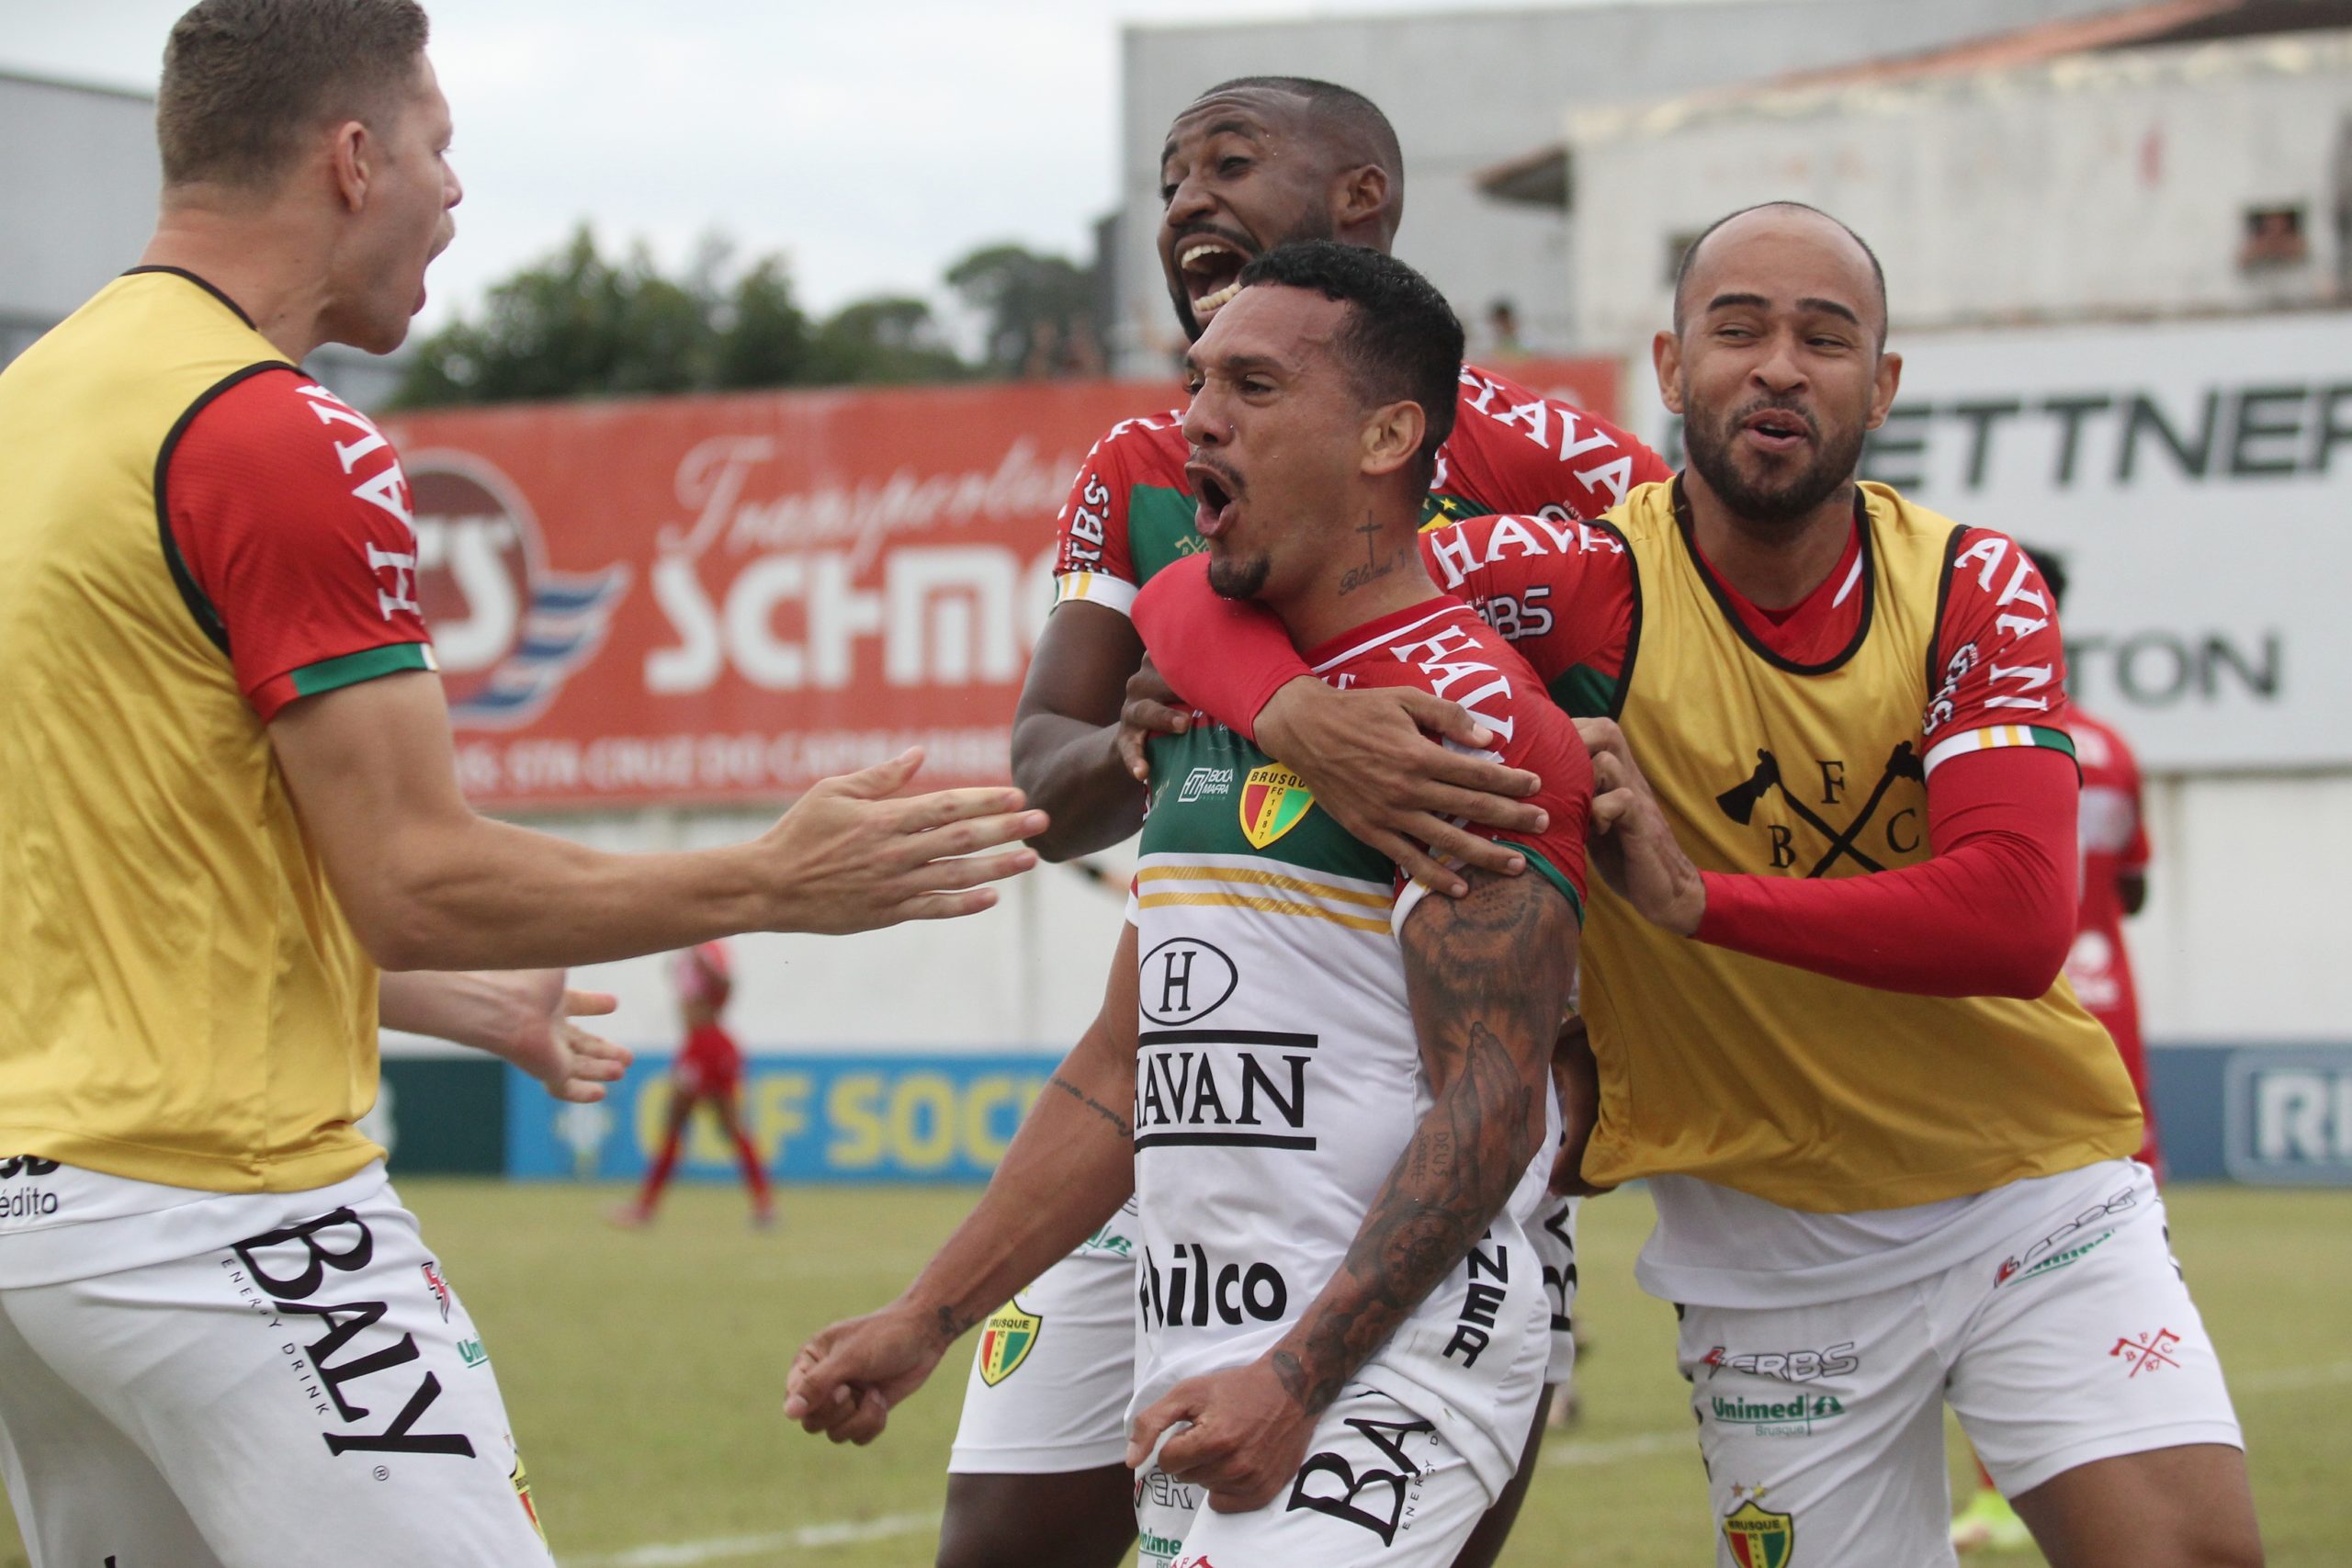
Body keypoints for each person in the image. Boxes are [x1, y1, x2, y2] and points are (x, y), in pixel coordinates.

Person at [0, 3, 1042, 1562]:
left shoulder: (34, 414)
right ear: (354, 160)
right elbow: (414, 870)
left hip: (40, 1243)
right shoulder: (275, 434)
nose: (456, 190)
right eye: (441, 147)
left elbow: (101, 882)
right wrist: (771, 878)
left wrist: (445, 1002)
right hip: (224, 1215)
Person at [1136, 203, 2264, 1568]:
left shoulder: (1977, 585)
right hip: (1760, 1249)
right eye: (1738, 329)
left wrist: (1698, 902)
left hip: (2029, 1195)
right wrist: (1299, 714)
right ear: (1672, 371)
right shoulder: (1582, 577)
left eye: (1824, 337)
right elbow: (1214, 589)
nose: (1778, 365)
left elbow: (2019, 917)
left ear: (1882, 386)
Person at [788, 240, 1595, 1568]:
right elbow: (1121, 1070)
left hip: (1380, 1361)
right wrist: (928, 1315)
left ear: (1391, 433)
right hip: (1199, 1344)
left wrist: (1301, 1372)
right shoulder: (1199, 703)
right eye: (1196, 380)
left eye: (1253, 387)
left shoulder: (1469, 725)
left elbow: (1491, 1101)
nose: (1197, 419)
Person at [977, 73, 1668, 1568]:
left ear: (1361, 199)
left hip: (1438, 1104)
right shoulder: (1146, 467)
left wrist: (1628, 767)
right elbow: (1048, 775)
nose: (1184, 206)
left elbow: (1666, 695)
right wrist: (1275, 714)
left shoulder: (1572, 462)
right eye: (1166, 182)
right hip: (1185, 1109)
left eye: (1226, 165)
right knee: (1001, 1531)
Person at [1951, 546, 2163, 1554]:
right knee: (2115, 1247)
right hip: (2108, 1008)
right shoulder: (2110, 748)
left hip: (2013, 1006)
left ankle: (1999, 1490)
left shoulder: (1963, 736)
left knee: (1986, 1246)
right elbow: (2127, 889)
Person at [613, 942, 775, 1229]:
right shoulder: (689, 950)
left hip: (707, 1046)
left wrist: (701, 963)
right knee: (720, 1127)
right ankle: (764, 1206)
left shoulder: (708, 949)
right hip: (701, 1046)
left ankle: (645, 1209)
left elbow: (727, 986)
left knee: (687, 1123)